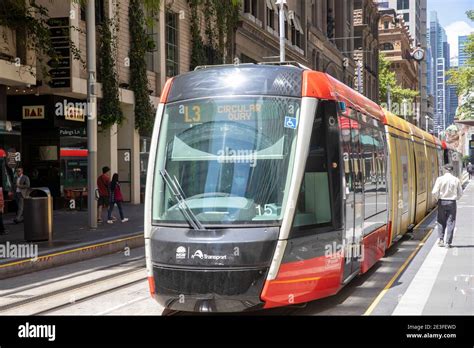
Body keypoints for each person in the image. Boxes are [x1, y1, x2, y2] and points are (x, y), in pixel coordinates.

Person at [431, 164, 463, 248]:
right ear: (451, 170)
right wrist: (456, 198)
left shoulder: (440, 179)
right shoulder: (456, 179)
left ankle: (441, 240)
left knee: (441, 220)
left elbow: (434, 192)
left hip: (442, 201)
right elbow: (460, 193)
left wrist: (438, 198)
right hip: (452, 202)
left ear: (445, 170)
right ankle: (448, 242)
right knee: (451, 222)